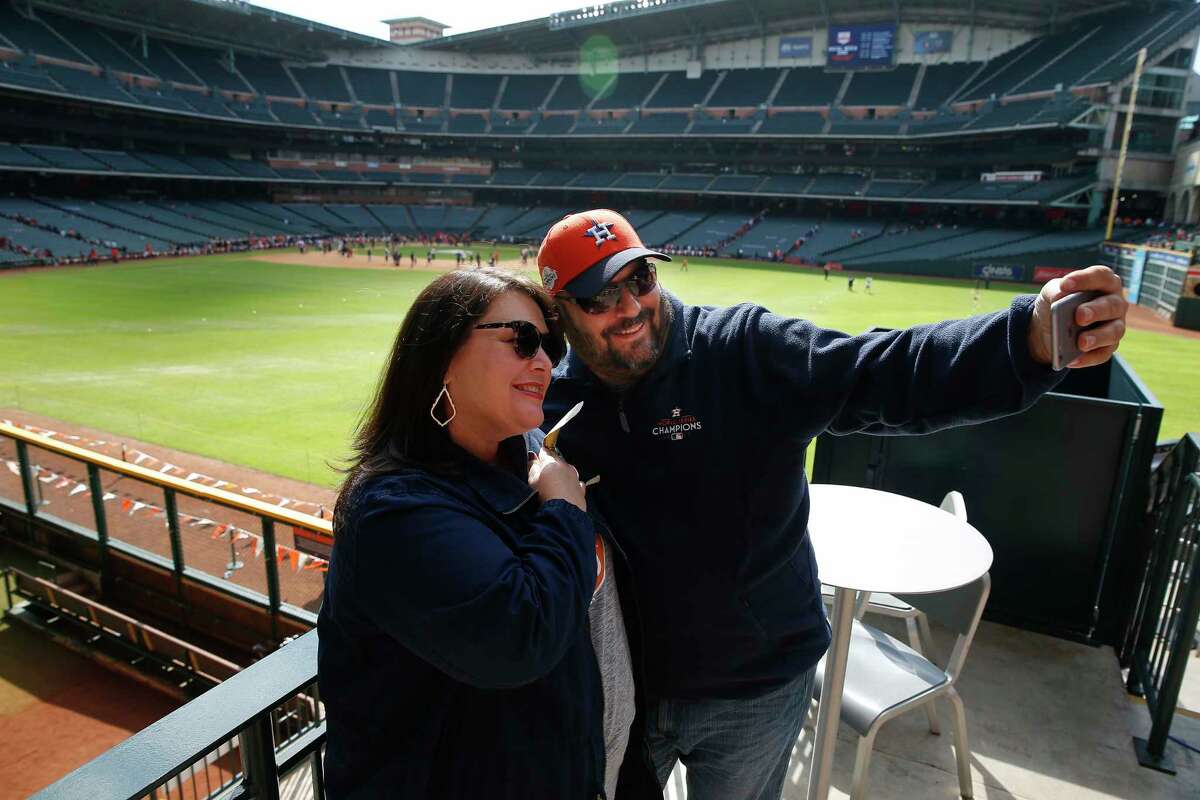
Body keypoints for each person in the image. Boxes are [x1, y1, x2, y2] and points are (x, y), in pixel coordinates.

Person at [536, 208, 1129, 800]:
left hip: (754, 690)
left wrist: (1021, 342)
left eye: (640, 280)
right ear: (561, 312)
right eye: (600, 297)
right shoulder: (553, 404)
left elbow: (881, 371)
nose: (631, 307)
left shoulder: (743, 352)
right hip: (627, 688)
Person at [318, 268, 635, 799]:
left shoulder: (516, 467)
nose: (544, 362)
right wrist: (563, 506)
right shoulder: (394, 510)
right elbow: (521, 636)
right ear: (441, 358)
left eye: (550, 346)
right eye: (522, 341)